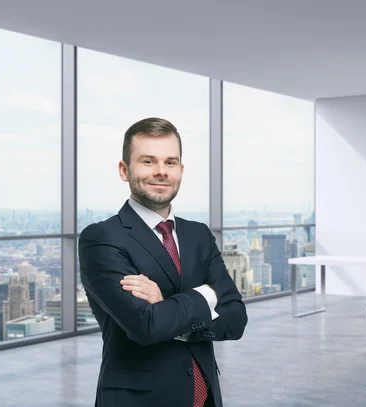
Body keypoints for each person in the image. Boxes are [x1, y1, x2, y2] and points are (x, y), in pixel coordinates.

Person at [78, 117, 248, 407]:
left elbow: (236, 320)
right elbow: (147, 326)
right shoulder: (102, 238)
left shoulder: (198, 235)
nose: (160, 172)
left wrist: (166, 304)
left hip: (206, 396)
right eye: (147, 161)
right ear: (124, 170)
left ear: (181, 170)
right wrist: (208, 294)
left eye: (170, 162)